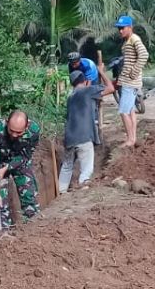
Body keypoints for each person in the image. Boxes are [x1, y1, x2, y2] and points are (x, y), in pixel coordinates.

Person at [59, 65, 115, 192]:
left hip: (69, 138)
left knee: (66, 167)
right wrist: (101, 72)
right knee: (86, 170)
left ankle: (61, 192)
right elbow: (111, 88)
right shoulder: (88, 91)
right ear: (85, 81)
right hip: (84, 137)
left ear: (72, 84)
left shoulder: (70, 97)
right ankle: (83, 192)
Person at [0, 110, 42, 229]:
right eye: (11, 131)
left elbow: (25, 156)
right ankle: (3, 234)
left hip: (19, 162)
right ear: (7, 123)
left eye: (19, 132)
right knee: (0, 205)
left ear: (26, 127)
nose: (14, 135)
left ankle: (33, 230)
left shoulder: (34, 130)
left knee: (29, 197)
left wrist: (7, 168)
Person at [115, 15, 149, 147]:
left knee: (123, 111)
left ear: (130, 27)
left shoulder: (134, 39)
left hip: (130, 82)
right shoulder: (128, 41)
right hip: (129, 81)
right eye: (119, 28)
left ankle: (130, 140)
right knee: (130, 111)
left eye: (122, 28)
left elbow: (144, 55)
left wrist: (133, 72)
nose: (120, 31)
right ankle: (133, 138)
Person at [67, 50, 103, 144]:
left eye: (75, 63)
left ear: (79, 60)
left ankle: (95, 129)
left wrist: (83, 97)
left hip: (92, 80)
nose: (73, 65)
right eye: (72, 63)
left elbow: (88, 84)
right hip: (80, 79)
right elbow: (73, 79)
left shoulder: (87, 65)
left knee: (91, 98)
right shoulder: (70, 65)